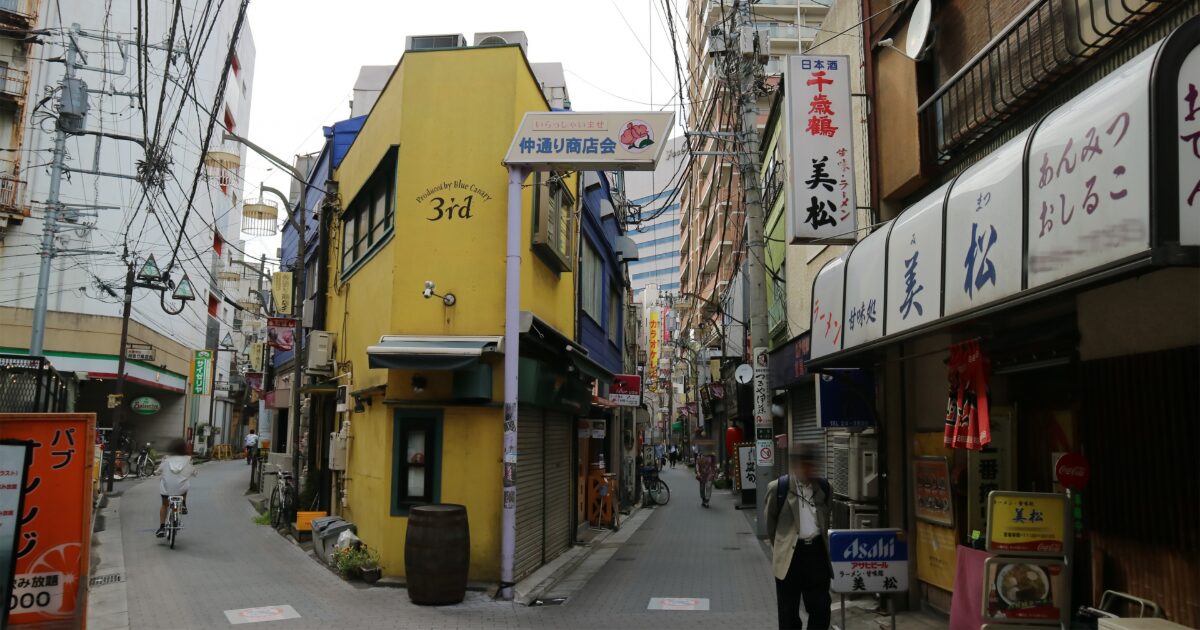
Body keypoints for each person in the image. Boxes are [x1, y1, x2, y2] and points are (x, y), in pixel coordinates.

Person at [765, 443, 833, 630]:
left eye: (811, 464)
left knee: (821, 609)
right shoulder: (778, 488)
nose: (808, 469)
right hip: (790, 558)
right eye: (803, 464)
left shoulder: (825, 488)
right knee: (788, 613)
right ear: (795, 465)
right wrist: (782, 547)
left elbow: (826, 518)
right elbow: (770, 526)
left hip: (817, 554)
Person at [156, 438, 196, 538]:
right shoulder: (188, 459)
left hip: (166, 490)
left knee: (164, 505)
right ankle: (183, 504)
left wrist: (158, 472)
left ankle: (162, 527)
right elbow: (194, 472)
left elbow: (158, 471)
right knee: (186, 482)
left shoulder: (166, 459)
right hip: (181, 490)